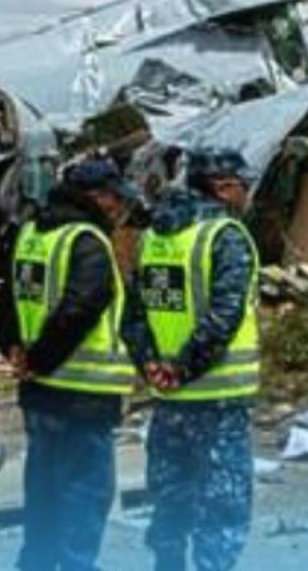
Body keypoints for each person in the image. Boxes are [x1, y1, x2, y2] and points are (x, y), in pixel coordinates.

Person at [122, 148, 260, 571]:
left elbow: (135, 315)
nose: (247, 194)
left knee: (172, 494)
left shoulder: (155, 238)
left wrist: (151, 364)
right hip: (218, 398)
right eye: (242, 185)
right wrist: (183, 367)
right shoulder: (225, 236)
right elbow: (225, 315)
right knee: (222, 505)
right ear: (222, 187)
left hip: (169, 398)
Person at [0, 158, 138, 571]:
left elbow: (4, 294)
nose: (118, 208)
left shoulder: (30, 234)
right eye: (114, 198)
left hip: (40, 395)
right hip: (83, 393)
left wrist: (14, 349)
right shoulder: (87, 241)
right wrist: (40, 358)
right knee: (85, 495)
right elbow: (82, 305)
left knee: (44, 490)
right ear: (95, 197)